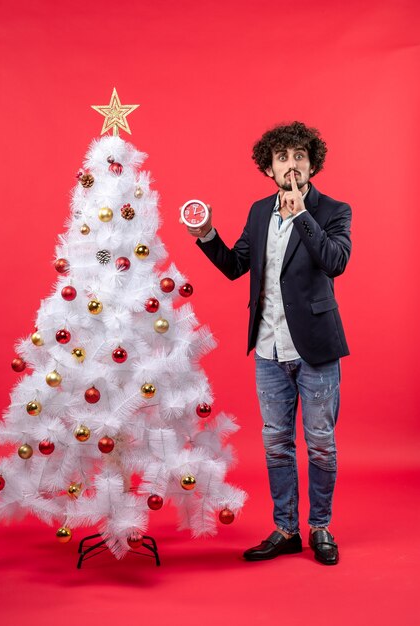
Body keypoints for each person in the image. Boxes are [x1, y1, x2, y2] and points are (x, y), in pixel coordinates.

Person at [182, 121, 351, 565]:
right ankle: (286, 529)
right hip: (268, 350)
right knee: (276, 442)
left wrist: (302, 216)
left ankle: (321, 528)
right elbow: (237, 265)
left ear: (312, 163)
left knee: (320, 443)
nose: (291, 165)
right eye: (282, 158)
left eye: (299, 157)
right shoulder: (258, 212)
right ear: (269, 168)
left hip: (315, 348)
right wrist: (206, 236)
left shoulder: (333, 210)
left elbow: (336, 262)